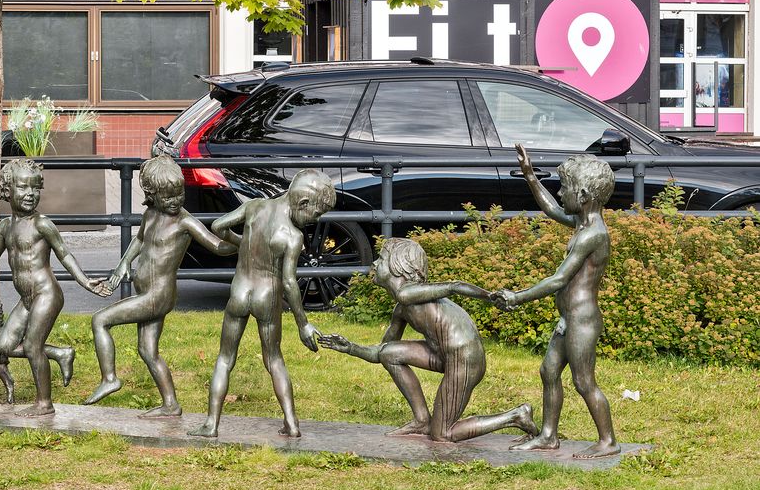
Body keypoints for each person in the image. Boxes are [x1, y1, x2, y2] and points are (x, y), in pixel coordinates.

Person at [318, 238, 538, 442]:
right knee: (389, 353)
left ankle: (515, 416)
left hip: (465, 359)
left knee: (442, 434)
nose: (375, 262)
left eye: (382, 258)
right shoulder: (402, 307)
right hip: (445, 354)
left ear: (399, 267)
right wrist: (350, 348)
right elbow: (381, 352)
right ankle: (422, 420)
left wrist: (489, 296)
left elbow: (453, 286)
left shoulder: (407, 294)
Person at [491, 145, 620, 459]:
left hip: (582, 320)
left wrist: (518, 297)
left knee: (583, 381)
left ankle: (608, 441)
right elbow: (551, 209)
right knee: (549, 372)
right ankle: (548, 436)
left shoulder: (594, 235)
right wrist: (530, 176)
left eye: (565, 188)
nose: (561, 193)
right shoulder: (582, 224)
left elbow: (559, 280)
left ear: (585, 194)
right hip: (569, 319)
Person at [84, 155, 237, 416]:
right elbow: (140, 240)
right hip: (147, 291)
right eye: (168, 197)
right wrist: (124, 264)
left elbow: (217, 246)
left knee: (100, 320)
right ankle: (171, 404)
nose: (176, 201)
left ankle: (110, 378)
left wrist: (241, 242)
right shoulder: (151, 214)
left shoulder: (185, 221)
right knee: (147, 350)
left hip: (158, 295)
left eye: (180, 194)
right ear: (151, 195)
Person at [189, 169, 336, 438]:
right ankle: (291, 424)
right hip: (267, 296)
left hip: (240, 291)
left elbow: (218, 227)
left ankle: (211, 424)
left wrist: (242, 243)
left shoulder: (254, 207)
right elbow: (290, 283)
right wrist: (303, 324)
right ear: (303, 203)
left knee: (224, 358)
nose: (315, 220)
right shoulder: (293, 236)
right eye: (316, 214)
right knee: (274, 359)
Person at [0, 159, 110, 417]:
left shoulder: (42, 224)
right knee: (4, 345)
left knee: (31, 347)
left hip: (46, 294)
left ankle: (44, 403)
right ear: (7, 191)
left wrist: (86, 281)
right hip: (27, 299)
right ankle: (60, 354)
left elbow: (65, 255)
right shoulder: (5, 227)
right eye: (22, 188)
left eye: (35, 188)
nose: (30, 194)